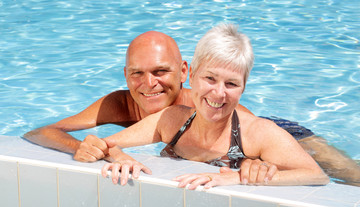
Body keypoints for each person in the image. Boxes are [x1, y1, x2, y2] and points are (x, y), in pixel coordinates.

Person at [23, 29, 360, 186]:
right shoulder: (120, 103)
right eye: (137, 74)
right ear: (126, 76)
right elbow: (40, 132)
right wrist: (89, 148)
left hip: (279, 132)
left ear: (185, 73)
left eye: (161, 72)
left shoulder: (199, 102)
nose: (149, 84)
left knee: (348, 174)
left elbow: (244, 131)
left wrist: (257, 162)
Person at [97, 24, 329, 189]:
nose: (219, 93)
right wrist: (118, 156)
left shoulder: (259, 133)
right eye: (209, 79)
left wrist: (239, 177)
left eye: (231, 83)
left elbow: (317, 175)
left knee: (350, 174)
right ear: (191, 76)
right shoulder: (172, 120)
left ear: (243, 88)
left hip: (293, 133)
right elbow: (101, 144)